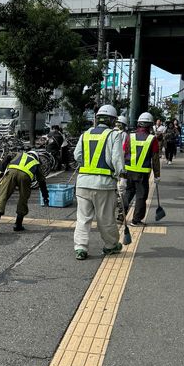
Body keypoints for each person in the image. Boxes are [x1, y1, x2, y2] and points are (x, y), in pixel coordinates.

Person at [73, 104, 125, 260]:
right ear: (112, 120)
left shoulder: (85, 134)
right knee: (105, 218)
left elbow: (77, 156)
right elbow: (116, 158)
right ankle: (111, 246)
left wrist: (88, 166)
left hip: (83, 183)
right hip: (104, 185)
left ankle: (81, 248)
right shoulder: (113, 135)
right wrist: (121, 172)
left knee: (83, 218)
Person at [0, 149, 49, 233]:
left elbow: (7, 157)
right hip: (25, 177)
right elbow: (42, 182)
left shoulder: (18, 154)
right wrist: (45, 196)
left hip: (11, 173)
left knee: (3, 196)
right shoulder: (36, 162)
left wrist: (1, 171)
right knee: (23, 198)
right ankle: (18, 224)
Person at [122, 112, 160, 226]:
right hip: (142, 173)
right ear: (149, 125)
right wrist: (157, 175)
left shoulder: (130, 136)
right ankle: (136, 220)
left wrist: (123, 171)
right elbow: (155, 159)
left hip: (129, 171)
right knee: (141, 196)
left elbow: (124, 152)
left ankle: (121, 215)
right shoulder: (152, 139)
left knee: (128, 192)